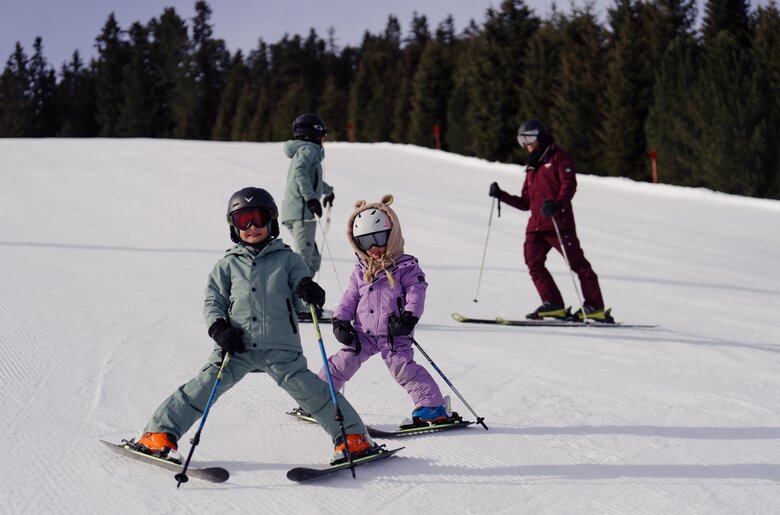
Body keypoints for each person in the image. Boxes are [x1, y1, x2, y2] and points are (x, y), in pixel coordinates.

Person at [131, 187, 375, 465]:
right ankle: (158, 434)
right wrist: (219, 329)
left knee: (314, 393)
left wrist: (310, 293)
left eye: (258, 218)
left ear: (271, 220)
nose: (251, 227)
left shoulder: (289, 259)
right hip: (236, 346)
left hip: (281, 347)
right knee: (201, 388)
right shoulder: (226, 265)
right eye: (242, 220)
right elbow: (213, 302)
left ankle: (353, 439)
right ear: (233, 226)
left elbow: (300, 296)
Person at [312, 194, 453, 427]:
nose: (374, 247)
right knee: (341, 363)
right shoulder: (361, 268)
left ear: (392, 235)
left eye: (379, 238)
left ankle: (432, 407)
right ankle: (318, 399)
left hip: (393, 332)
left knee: (404, 370)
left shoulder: (406, 266)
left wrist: (409, 318)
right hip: (363, 333)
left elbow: (417, 290)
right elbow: (351, 295)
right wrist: (340, 321)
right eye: (366, 242)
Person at [489, 119, 610, 322]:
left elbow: (569, 185)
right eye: (521, 139)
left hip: (558, 224)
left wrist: (557, 204)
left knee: (578, 264)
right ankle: (553, 304)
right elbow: (526, 202)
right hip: (536, 226)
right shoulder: (532, 166)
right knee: (533, 262)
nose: (525, 143)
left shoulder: (558, 157)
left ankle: (594, 306)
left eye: (528, 137)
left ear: (541, 136)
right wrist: (501, 195)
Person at [280, 113, 335, 322]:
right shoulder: (309, 150)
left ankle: (303, 300)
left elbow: (312, 179)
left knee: (312, 258)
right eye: (322, 135)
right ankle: (301, 307)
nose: (324, 140)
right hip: (302, 213)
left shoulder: (305, 150)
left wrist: (327, 191)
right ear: (313, 133)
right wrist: (312, 199)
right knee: (303, 259)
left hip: (297, 212)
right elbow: (301, 174)